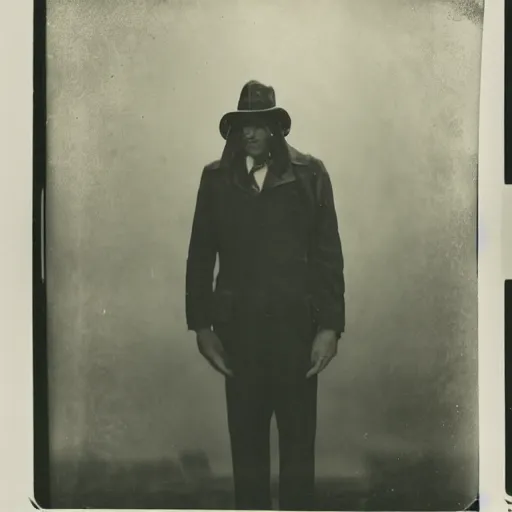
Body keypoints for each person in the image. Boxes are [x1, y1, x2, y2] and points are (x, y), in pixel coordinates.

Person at [186, 80, 345, 511]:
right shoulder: (217, 179)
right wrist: (202, 327)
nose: (250, 134)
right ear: (234, 131)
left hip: (297, 333)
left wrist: (329, 327)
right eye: (243, 126)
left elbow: (328, 257)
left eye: (259, 124)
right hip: (240, 336)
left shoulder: (311, 175)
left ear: (276, 127)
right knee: (247, 453)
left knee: (298, 451)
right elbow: (201, 255)